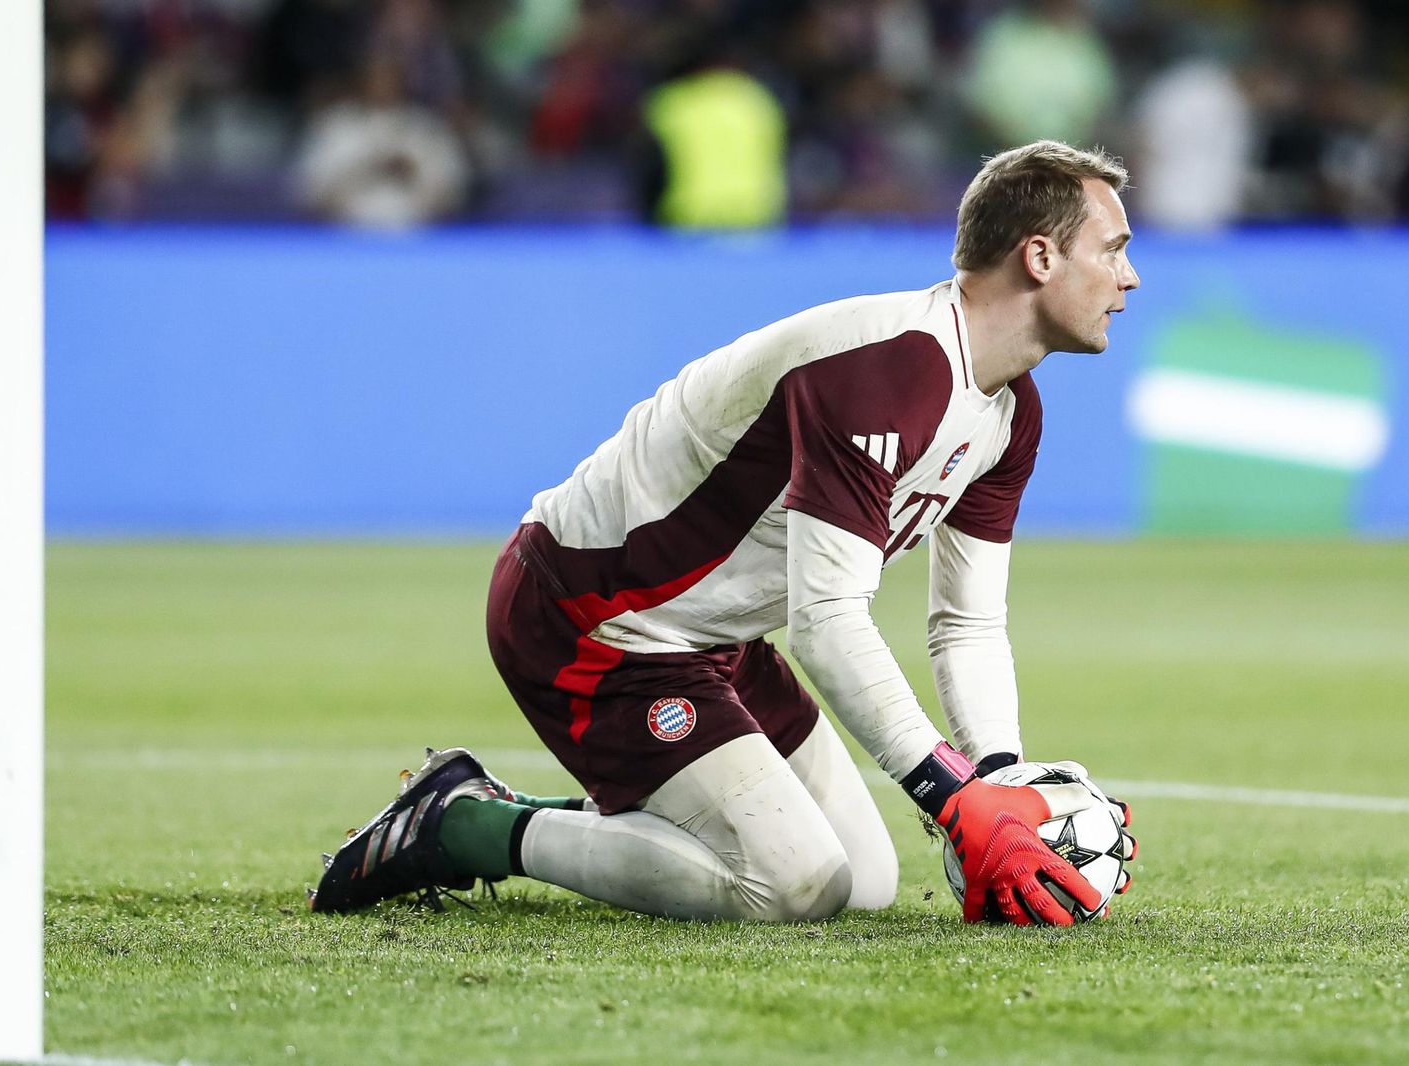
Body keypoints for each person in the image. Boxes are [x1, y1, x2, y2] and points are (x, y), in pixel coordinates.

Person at [311, 139, 1141, 926]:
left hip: (712, 638)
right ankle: (458, 824)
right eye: (1113, 249)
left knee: (865, 882)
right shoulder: (889, 369)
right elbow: (827, 623)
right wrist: (955, 801)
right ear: (1039, 257)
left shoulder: (1008, 413)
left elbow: (966, 621)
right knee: (792, 882)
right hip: (593, 619)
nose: (1129, 278)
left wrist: (1001, 779)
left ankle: (637, 820)